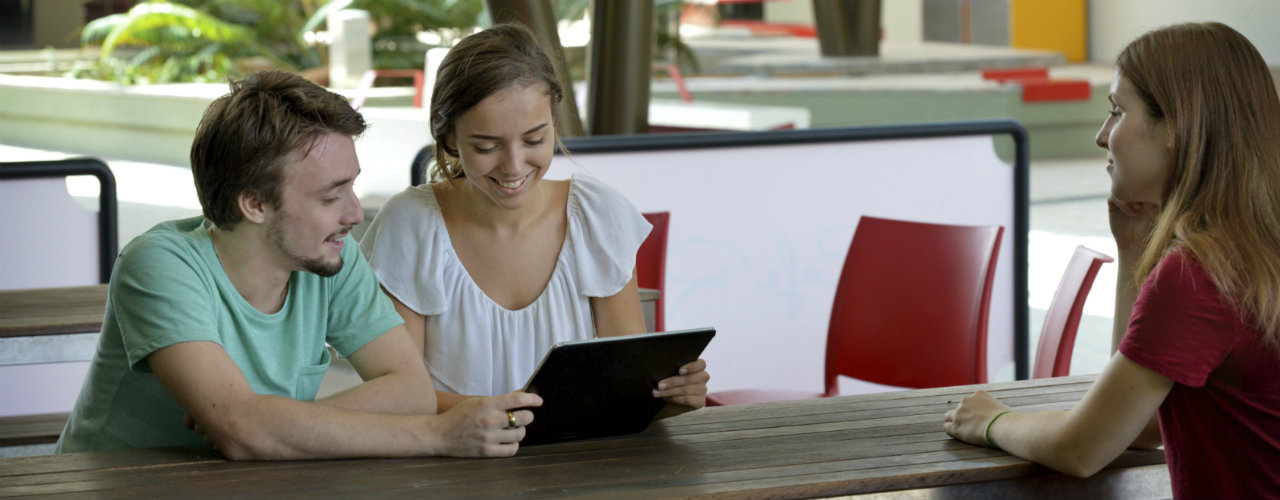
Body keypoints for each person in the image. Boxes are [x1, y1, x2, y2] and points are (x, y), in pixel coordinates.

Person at [56, 71, 542, 460]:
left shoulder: (332, 255)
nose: (354, 214)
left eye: (352, 187)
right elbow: (243, 434)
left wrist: (275, 422)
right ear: (254, 203)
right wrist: (436, 437)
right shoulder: (159, 265)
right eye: (332, 196)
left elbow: (410, 390)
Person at [943, 22, 1280, 498]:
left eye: (1117, 112)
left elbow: (1083, 449)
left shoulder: (1201, 274)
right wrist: (1133, 250)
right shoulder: (1252, 251)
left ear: (1178, 129)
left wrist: (993, 421)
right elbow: (1141, 425)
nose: (1103, 136)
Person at [359, 23, 709, 414]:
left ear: (553, 123)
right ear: (450, 137)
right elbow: (398, 396)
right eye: (486, 146)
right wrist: (512, 417)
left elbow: (625, 391)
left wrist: (671, 398)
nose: (513, 167)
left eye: (534, 140)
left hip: (574, 463)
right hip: (447, 464)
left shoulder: (597, 216)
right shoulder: (410, 225)